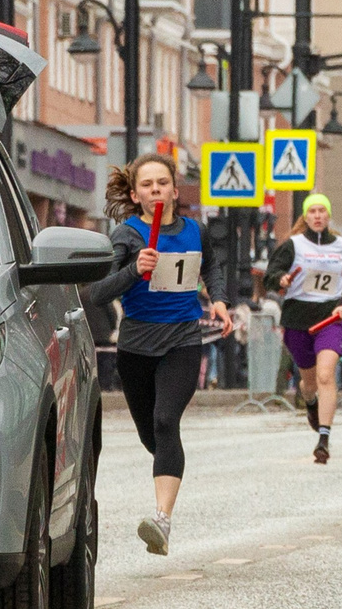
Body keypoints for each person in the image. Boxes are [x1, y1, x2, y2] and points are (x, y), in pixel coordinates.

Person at [84, 153, 232, 555]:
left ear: (174, 188)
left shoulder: (194, 231)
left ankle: (162, 520)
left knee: (166, 421)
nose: (156, 191)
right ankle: (170, 464)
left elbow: (212, 267)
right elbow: (96, 293)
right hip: (135, 347)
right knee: (153, 434)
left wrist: (217, 300)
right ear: (135, 194)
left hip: (183, 341)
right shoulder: (126, 235)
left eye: (162, 183)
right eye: (147, 185)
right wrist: (135, 270)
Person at [267, 192, 342, 465]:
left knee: (326, 375)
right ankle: (311, 402)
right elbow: (271, 274)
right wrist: (283, 278)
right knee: (310, 382)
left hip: (330, 318)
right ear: (305, 216)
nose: (317, 216)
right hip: (299, 319)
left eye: (322, 211)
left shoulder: (341, 246)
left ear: (328, 216)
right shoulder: (294, 245)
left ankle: (323, 439)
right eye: (312, 211)